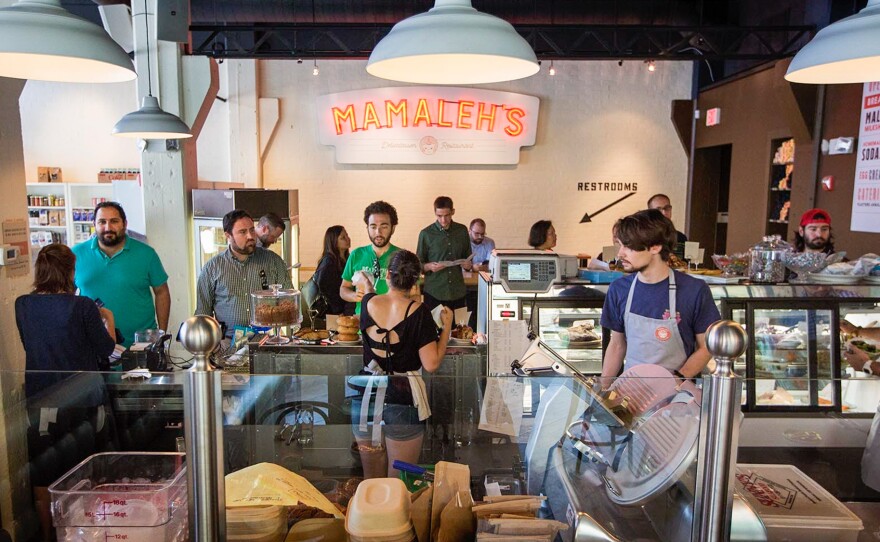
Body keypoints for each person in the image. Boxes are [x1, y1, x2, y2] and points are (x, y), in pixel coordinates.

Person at [15, 244, 117, 494]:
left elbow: (29, 345)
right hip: (82, 399)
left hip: (42, 400)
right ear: (70, 272)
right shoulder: (82, 306)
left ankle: (48, 532)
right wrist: (108, 318)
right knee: (86, 469)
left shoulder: (22, 304)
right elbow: (106, 349)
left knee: (45, 472)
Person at [351, 250, 453, 478]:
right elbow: (431, 363)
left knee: (371, 484)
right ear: (416, 281)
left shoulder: (369, 303)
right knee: (397, 485)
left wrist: (367, 284)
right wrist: (446, 328)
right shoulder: (420, 314)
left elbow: (369, 294)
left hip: (365, 398)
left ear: (388, 275)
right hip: (402, 401)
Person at [600, 209, 721, 379]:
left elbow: (706, 347)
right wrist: (603, 391)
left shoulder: (694, 290)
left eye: (628, 246)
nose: (620, 253)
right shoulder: (619, 289)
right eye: (620, 245)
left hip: (678, 396)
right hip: (631, 393)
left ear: (655, 247)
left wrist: (677, 380)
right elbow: (617, 345)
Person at [72, 201, 170, 347]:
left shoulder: (146, 254)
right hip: (92, 343)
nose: (108, 227)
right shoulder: (75, 254)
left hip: (140, 345)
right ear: (94, 224)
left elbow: (162, 292)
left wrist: (161, 334)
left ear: (125, 224)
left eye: (114, 221)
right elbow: (65, 295)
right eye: (102, 222)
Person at [196, 209, 293, 337]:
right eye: (243, 232)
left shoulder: (273, 261)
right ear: (228, 236)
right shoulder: (212, 268)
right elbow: (203, 314)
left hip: (266, 340)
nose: (250, 236)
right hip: (227, 345)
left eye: (252, 230)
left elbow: (289, 302)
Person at [340, 201, 401, 315]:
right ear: (367, 228)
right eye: (373, 227)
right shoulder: (356, 254)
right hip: (362, 325)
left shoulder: (402, 257)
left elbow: (414, 295)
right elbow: (343, 288)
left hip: (393, 325)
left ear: (393, 228)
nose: (378, 232)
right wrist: (354, 296)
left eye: (384, 226)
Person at [416, 196, 473, 311]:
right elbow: (418, 264)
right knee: (435, 328)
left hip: (458, 292)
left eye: (446, 215)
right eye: (439, 216)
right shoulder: (426, 234)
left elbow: (468, 258)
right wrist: (429, 266)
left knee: (460, 328)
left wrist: (468, 265)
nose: (443, 220)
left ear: (453, 212)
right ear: (435, 213)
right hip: (434, 292)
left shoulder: (462, 231)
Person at [313, 225, 353, 316]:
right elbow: (323, 285)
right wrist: (337, 309)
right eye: (343, 237)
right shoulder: (329, 261)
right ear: (334, 241)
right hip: (334, 311)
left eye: (347, 235)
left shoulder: (347, 258)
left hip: (346, 306)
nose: (348, 239)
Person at [647, 193, 688, 259]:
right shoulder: (642, 236)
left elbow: (686, 265)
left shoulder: (681, 237)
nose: (664, 213)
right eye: (658, 209)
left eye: (667, 208)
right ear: (649, 213)